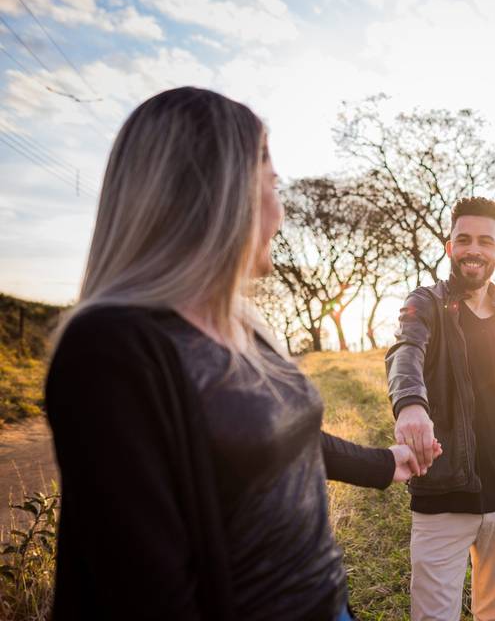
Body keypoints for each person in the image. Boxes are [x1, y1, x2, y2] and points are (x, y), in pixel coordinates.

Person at [44, 86, 437, 621]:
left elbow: (275, 434)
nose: (281, 210)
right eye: (272, 185)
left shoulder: (242, 325)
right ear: (219, 194)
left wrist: (383, 463)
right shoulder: (112, 348)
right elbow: (144, 594)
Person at [385, 196, 495, 621]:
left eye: (485, 241)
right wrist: (410, 404)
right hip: (443, 496)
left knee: (494, 616)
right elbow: (404, 350)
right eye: (463, 239)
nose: (474, 250)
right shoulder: (426, 304)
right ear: (450, 246)